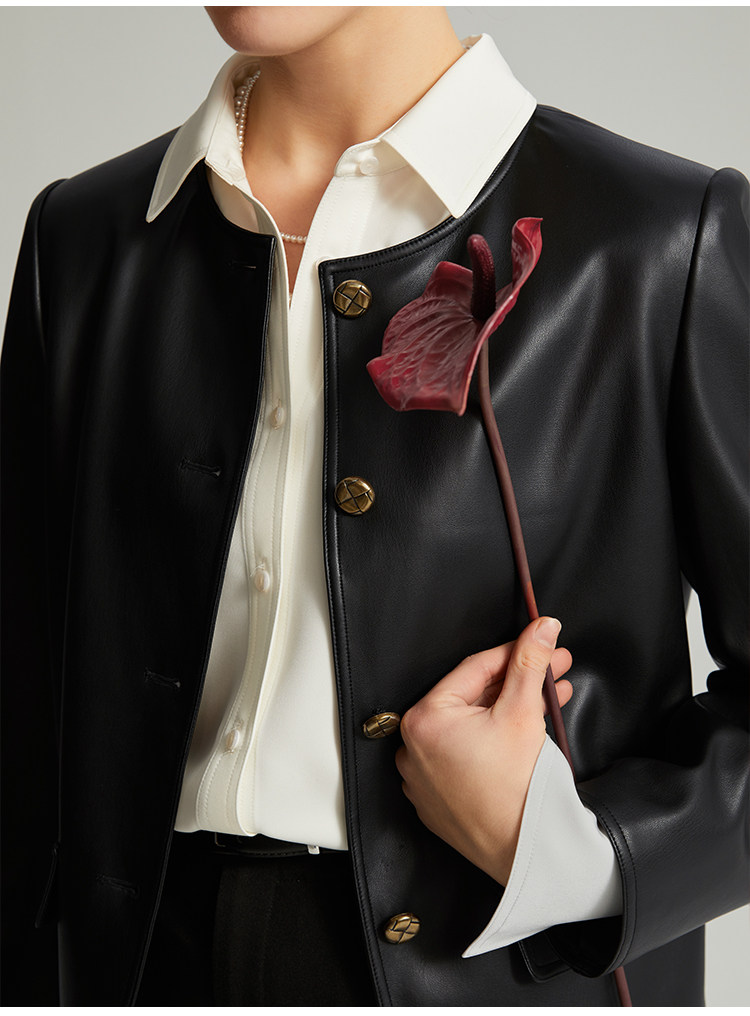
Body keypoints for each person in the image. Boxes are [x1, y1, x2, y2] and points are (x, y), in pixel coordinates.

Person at [1, 5, 747, 1007]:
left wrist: (570, 854)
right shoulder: (82, 238)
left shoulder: (657, 238)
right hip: (137, 966)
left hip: (491, 975)